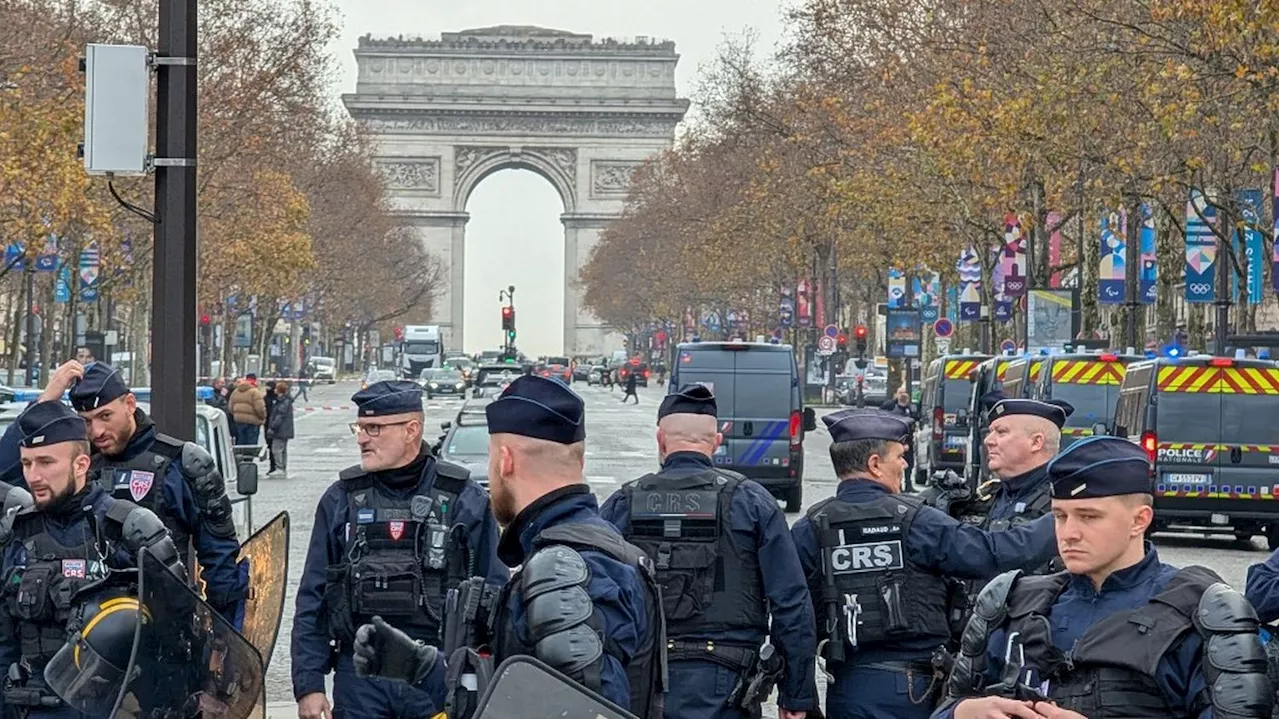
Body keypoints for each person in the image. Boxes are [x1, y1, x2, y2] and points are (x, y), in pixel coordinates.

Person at [356, 376, 666, 719]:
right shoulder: (587, 548)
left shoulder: (562, 568)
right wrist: (422, 666)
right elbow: (517, 699)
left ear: (505, 461)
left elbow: (575, 711)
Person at [936, 436, 1273, 719]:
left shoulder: (1200, 614)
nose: (1068, 533)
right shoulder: (1012, 603)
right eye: (1060, 516)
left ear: (1139, 520)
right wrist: (965, 711)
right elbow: (950, 703)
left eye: (1089, 517)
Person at [790, 409, 1059, 719]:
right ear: (875, 465)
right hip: (910, 690)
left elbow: (795, 619)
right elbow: (991, 554)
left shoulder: (810, 526)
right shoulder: (915, 520)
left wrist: (798, 696)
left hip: (846, 688)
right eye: (900, 456)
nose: (905, 465)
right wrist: (1067, 517)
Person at [290, 380, 506, 719]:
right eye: (360, 428)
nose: (362, 438)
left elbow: (494, 597)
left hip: (437, 675)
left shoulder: (465, 500)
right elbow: (313, 600)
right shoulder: (340, 500)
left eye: (374, 428)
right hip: (361, 677)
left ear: (412, 429)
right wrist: (309, 685)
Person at [600, 384, 819, 718]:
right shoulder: (752, 502)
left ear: (660, 439)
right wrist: (796, 696)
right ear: (717, 442)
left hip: (641, 680)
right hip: (727, 681)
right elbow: (791, 602)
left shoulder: (622, 503)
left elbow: (596, 596)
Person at [22, 361, 248, 626]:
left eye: (105, 416)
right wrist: (46, 400)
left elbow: (220, 560)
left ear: (130, 404)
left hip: (161, 623)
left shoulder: (180, 463)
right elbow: (14, 467)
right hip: (79, 627)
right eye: (86, 421)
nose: (97, 431)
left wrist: (222, 638)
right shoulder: (73, 465)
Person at [0, 400, 186, 718]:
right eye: (27, 464)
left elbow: (179, 633)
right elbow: (4, 642)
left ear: (81, 464)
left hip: (117, 707)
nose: (33, 476)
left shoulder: (131, 530)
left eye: (45, 462)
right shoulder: (16, 533)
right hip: (32, 705)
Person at [230, 373, 267, 447]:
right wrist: (263, 417)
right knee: (251, 444)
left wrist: (237, 415)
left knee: (240, 441)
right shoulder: (255, 392)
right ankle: (248, 458)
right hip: (252, 422)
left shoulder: (236, 391)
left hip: (239, 421)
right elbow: (260, 408)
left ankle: (240, 457)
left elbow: (231, 407)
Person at [267, 381, 294, 478]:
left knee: (276, 449)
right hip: (285, 429)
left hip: (281, 429)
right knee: (282, 449)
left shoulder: (283, 401)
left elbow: (279, 416)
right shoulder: (285, 400)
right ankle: (282, 468)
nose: (274, 390)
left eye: (276, 389)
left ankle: (280, 468)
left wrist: (273, 427)